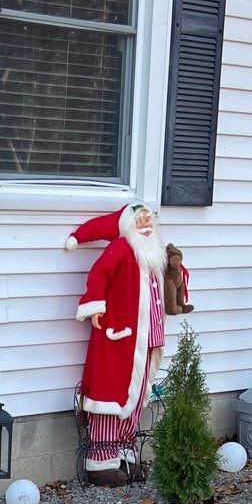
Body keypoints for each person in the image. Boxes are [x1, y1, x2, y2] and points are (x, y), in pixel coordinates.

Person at [66, 202, 169, 487]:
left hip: (148, 340)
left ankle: (125, 452)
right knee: (111, 395)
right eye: (140, 220)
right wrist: (95, 306)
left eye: (149, 219)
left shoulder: (155, 252)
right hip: (120, 337)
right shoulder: (121, 248)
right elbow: (100, 272)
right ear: (128, 225)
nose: (146, 225)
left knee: (136, 398)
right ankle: (101, 460)